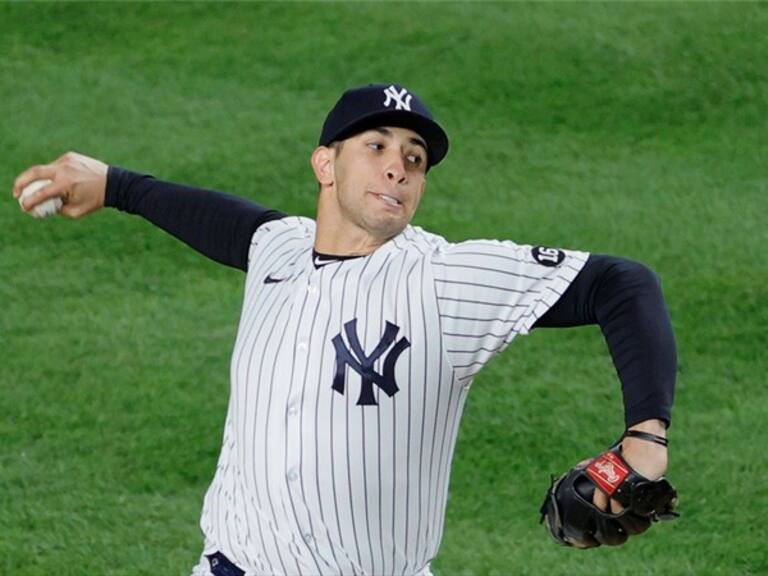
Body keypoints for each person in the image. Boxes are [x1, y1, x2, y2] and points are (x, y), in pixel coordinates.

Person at [13, 83, 676, 576]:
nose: (399, 166)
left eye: (415, 158)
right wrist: (112, 183)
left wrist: (645, 439)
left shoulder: (442, 279)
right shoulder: (278, 249)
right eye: (377, 147)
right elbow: (210, 215)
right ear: (325, 166)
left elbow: (622, 282)